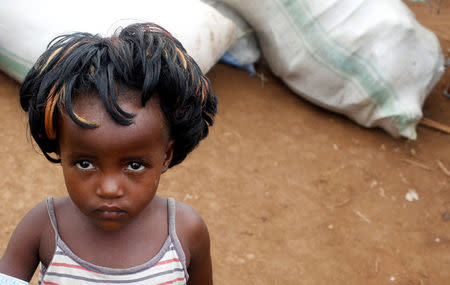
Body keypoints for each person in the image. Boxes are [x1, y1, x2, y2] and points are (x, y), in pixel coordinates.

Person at [0, 22, 217, 284]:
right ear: (60, 150)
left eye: (135, 165)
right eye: (84, 163)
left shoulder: (186, 232)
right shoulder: (43, 227)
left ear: (166, 156)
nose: (109, 188)